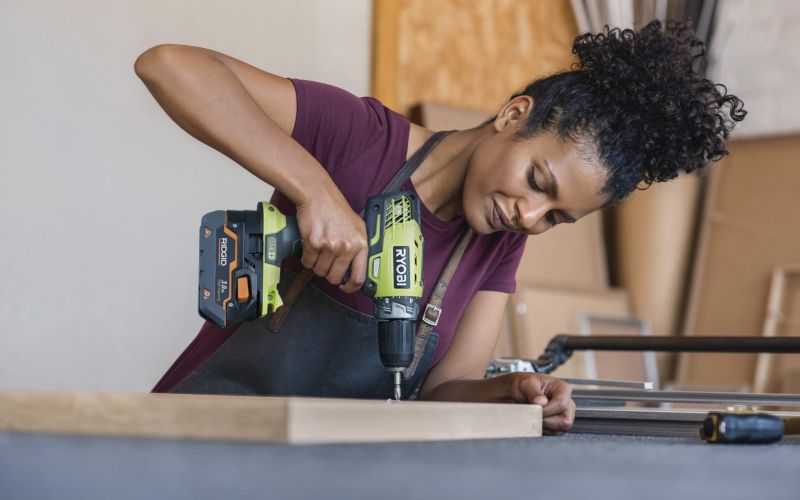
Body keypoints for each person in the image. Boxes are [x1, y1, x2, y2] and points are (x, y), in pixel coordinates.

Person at [134, 20, 745, 434]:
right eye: (538, 181)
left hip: (324, 470)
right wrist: (317, 193)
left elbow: (444, 390)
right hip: (205, 434)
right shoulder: (362, 139)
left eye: (557, 218)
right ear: (513, 115)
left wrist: (516, 393)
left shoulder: (497, 245)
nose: (529, 218)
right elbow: (170, 66)